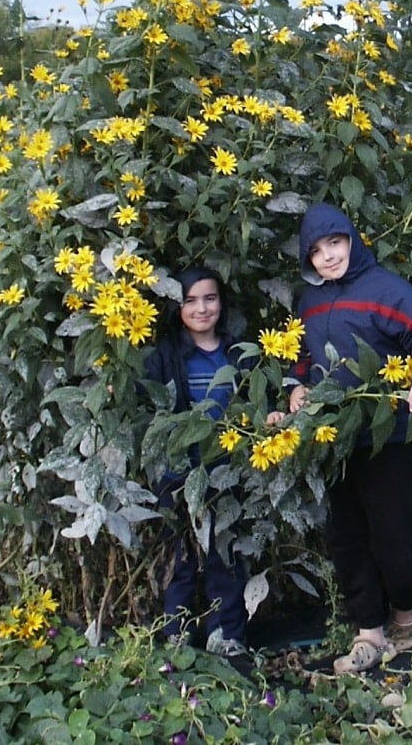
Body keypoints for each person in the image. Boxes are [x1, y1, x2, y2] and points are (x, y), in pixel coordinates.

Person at [282, 202, 412, 674]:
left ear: (352, 240)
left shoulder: (386, 290)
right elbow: (300, 357)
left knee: (394, 533)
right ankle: (369, 633)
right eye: (316, 251)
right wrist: (296, 387)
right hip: (336, 439)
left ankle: (406, 618)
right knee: (348, 536)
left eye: (335, 243)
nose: (328, 257)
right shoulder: (310, 302)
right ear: (308, 260)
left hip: (387, 436)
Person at [144, 266, 248, 658]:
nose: (202, 308)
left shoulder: (237, 353)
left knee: (226, 554)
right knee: (181, 556)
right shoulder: (166, 356)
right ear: (176, 307)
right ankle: (178, 633)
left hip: (225, 470)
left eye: (210, 298)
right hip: (178, 473)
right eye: (190, 301)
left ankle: (227, 633)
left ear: (222, 302)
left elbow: (254, 405)